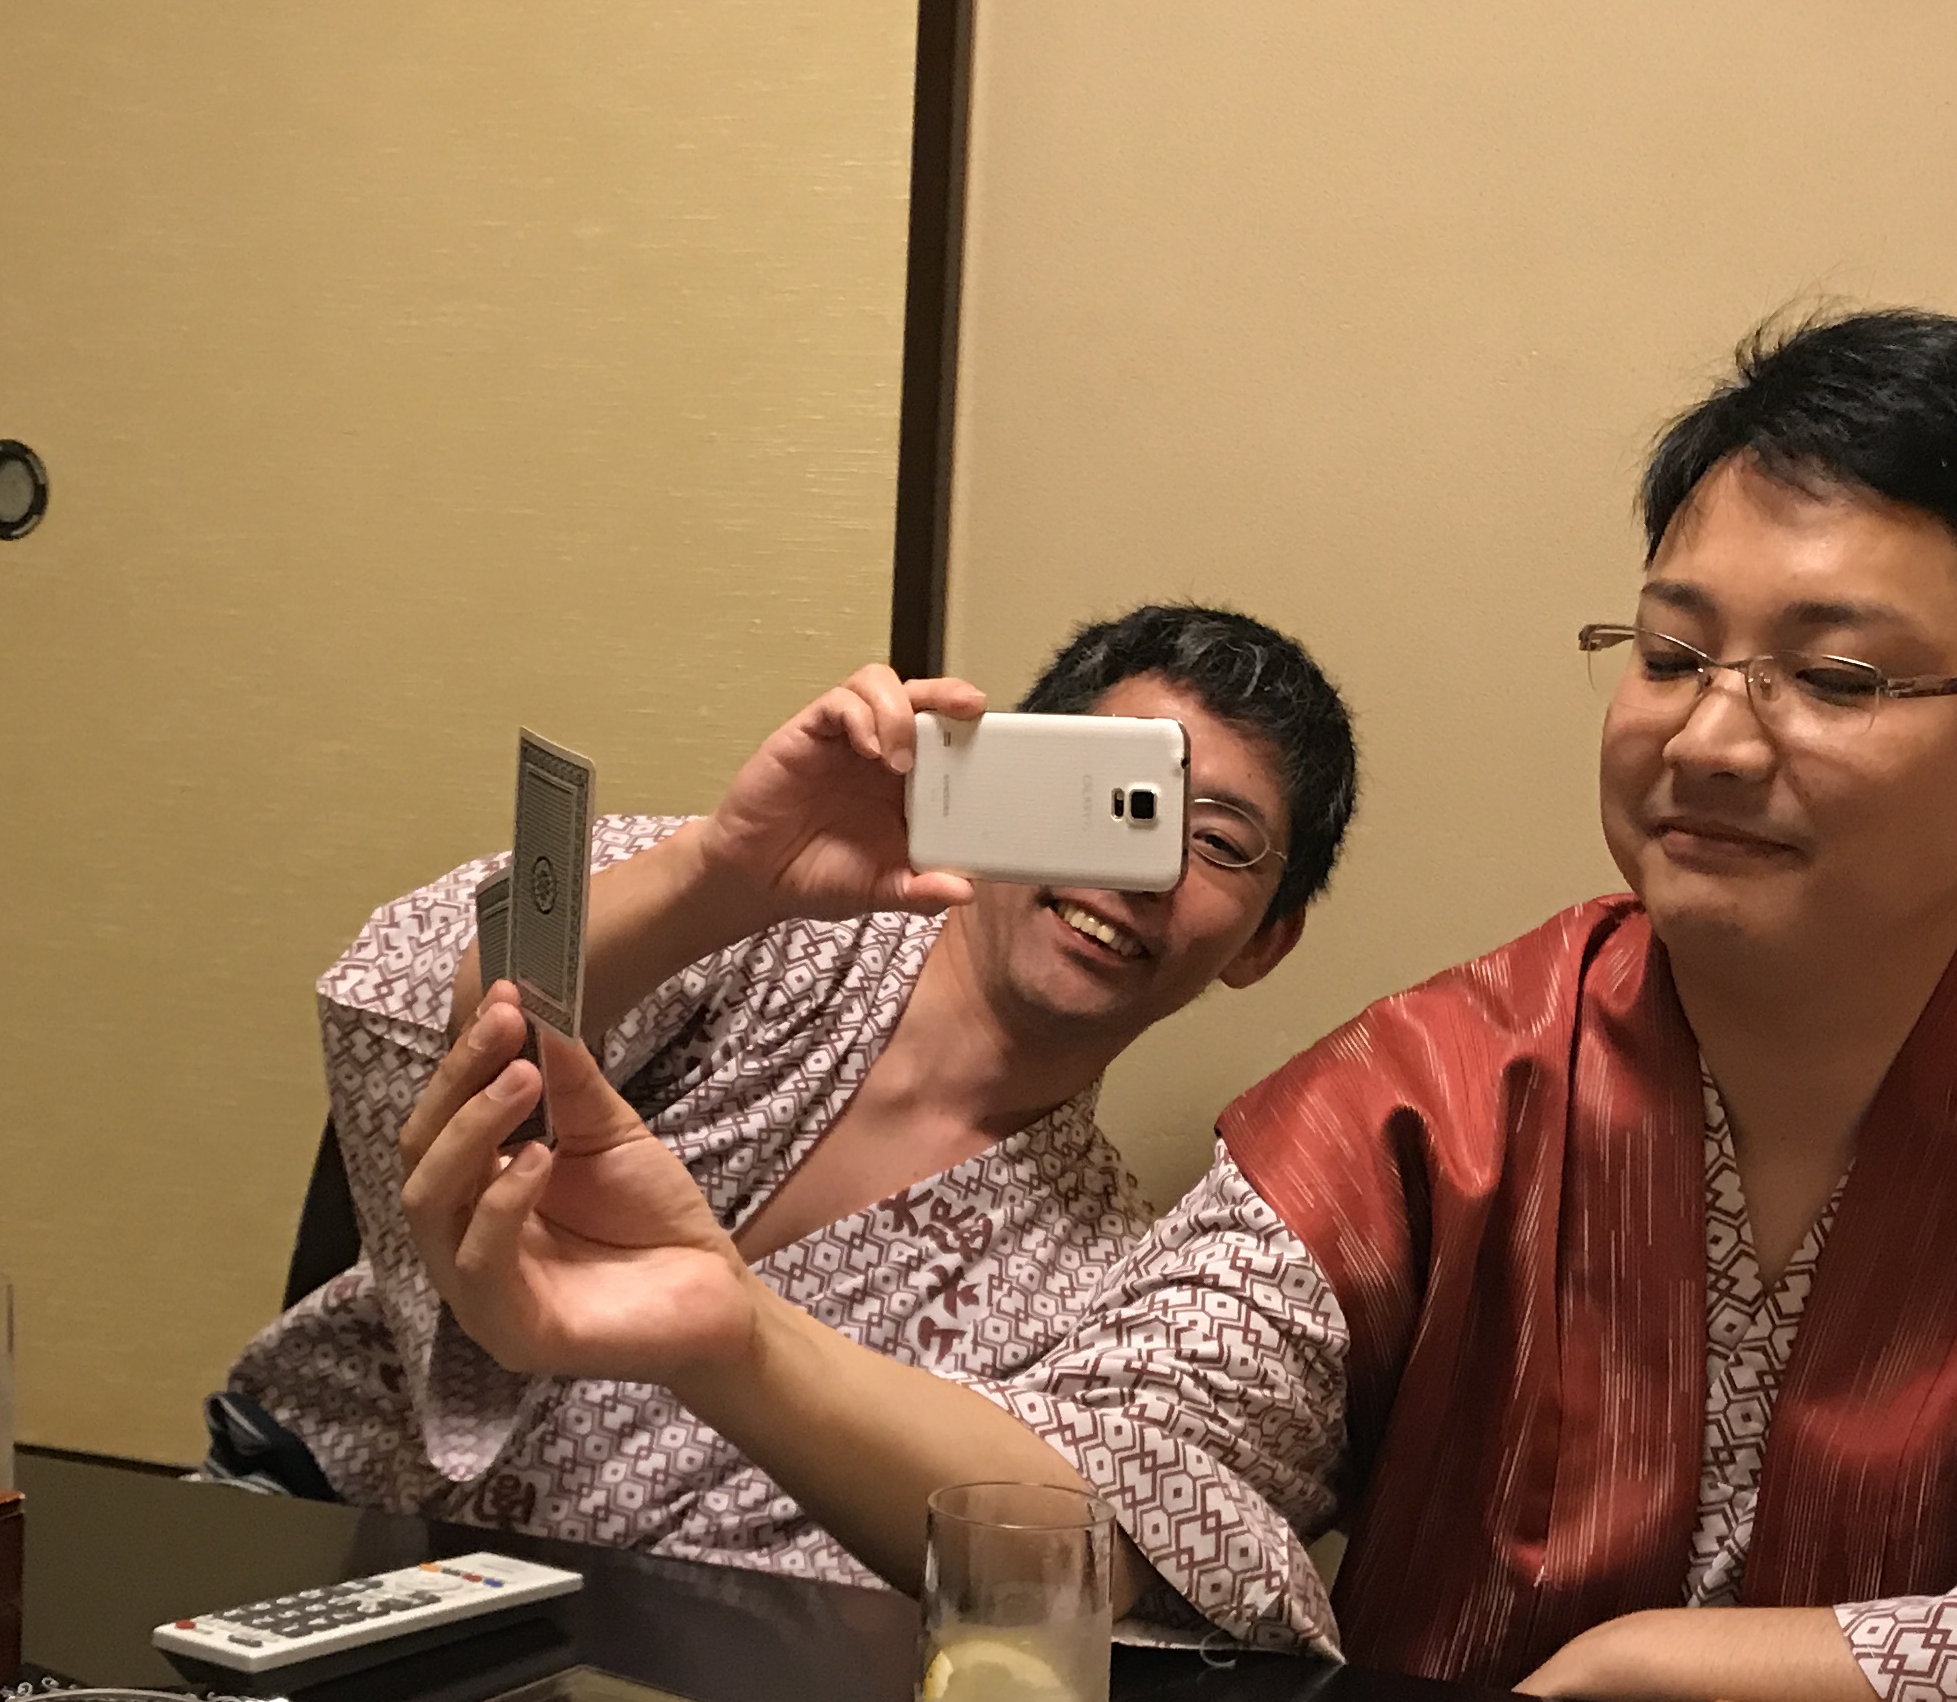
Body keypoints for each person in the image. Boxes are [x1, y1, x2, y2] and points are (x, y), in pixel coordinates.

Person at [394, 310, 1957, 1702]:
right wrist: (732, 1332)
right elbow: (1120, 1487)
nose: (1711, 736)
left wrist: (1670, 1660)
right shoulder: (1439, 1088)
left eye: (1833, 675)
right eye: (1669, 651)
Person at [226, 606, 1358, 1585]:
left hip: (655, 1680)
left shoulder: (1102, 1275)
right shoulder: (756, 917)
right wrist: (719, 875)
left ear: (1266, 942)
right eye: (1113, 797)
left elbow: (1057, 1550)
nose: (1137, 870)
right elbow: (430, 1000)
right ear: (1003, 777)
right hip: (329, 1523)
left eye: (1216, 844)